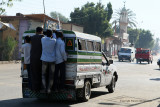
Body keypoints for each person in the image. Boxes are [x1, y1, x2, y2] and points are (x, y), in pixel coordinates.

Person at [40, 29, 56, 93]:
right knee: (51, 75)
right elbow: (54, 37)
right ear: (51, 35)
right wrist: (54, 33)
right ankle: (49, 89)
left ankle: (44, 88)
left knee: (43, 74)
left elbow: (43, 36)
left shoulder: (43, 39)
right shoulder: (54, 41)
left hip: (44, 59)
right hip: (52, 60)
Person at [30, 27, 44, 91]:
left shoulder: (32, 37)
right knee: (40, 73)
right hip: (40, 58)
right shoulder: (42, 37)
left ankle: (34, 88)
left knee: (34, 73)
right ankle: (40, 87)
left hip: (32, 58)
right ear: (41, 31)